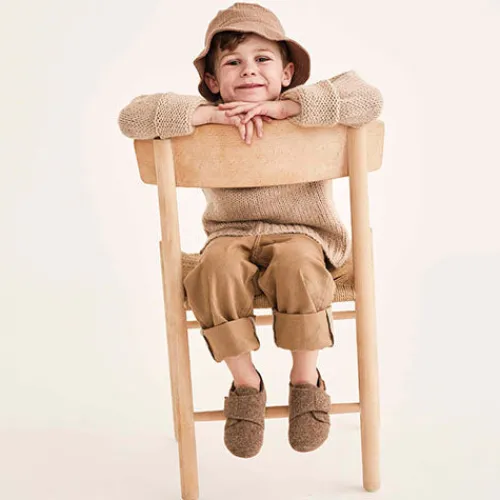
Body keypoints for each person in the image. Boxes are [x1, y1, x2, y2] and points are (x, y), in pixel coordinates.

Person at [118, 2, 383, 459]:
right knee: (212, 273)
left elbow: (368, 99)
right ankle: (246, 384)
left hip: (305, 235)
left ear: (287, 72)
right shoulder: (204, 117)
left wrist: (287, 106)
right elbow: (132, 117)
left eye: (263, 59)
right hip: (230, 235)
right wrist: (208, 116)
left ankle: (305, 379)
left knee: (298, 267)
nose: (249, 70)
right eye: (232, 62)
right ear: (212, 81)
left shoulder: (308, 109)